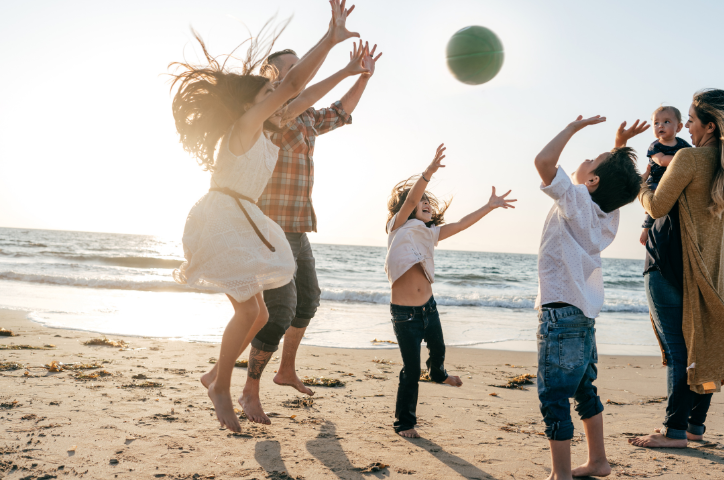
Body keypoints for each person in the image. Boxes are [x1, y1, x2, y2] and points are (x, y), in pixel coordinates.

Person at [170, 0, 361, 433]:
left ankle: (214, 376)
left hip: (242, 218)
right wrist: (329, 39)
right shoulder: (246, 124)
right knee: (251, 314)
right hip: (222, 218)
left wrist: (348, 73)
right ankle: (220, 385)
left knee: (256, 314)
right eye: (266, 94)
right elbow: (293, 83)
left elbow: (304, 94)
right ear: (249, 104)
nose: (275, 98)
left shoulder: (271, 127)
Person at [237, 39, 381, 424]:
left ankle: (286, 371)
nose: (303, 71)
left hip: (298, 227)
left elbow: (340, 111)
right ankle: (249, 391)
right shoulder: (272, 112)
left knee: (308, 303)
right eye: (294, 67)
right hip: (267, 227)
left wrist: (363, 77)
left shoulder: (305, 118)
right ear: (275, 76)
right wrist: (345, 67)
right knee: (280, 311)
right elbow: (295, 96)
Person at [629, 89, 724, 448]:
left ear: (710, 126)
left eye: (694, 122)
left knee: (679, 353)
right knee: (705, 349)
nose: (690, 131)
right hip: (707, 274)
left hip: (668, 267)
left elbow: (656, 207)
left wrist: (644, 180)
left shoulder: (688, 159)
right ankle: (695, 425)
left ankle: (674, 431)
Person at [534, 115, 645, 479]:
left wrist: (570, 129)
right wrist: (617, 145)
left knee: (554, 398)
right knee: (584, 389)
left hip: (559, 314)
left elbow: (544, 163)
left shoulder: (576, 197)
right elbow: (615, 183)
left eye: (590, 161)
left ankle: (560, 475)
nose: (583, 161)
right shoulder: (607, 212)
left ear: (592, 180)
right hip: (583, 316)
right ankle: (598, 460)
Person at [385, 143, 516, 438]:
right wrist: (428, 172)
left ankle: (439, 374)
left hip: (428, 307)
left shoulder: (432, 233)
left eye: (430, 203)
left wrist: (489, 206)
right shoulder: (399, 225)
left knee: (439, 350)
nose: (428, 204)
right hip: (404, 314)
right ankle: (405, 423)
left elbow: (460, 224)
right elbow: (411, 199)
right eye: (423, 202)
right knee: (411, 369)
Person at [638, 106, 692, 246]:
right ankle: (646, 228)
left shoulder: (683, 145)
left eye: (666, 122)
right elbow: (661, 161)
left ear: (679, 127)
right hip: (656, 181)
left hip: (674, 182)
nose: (660, 125)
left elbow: (693, 157)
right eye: (656, 123)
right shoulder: (654, 146)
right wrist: (682, 159)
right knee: (655, 200)